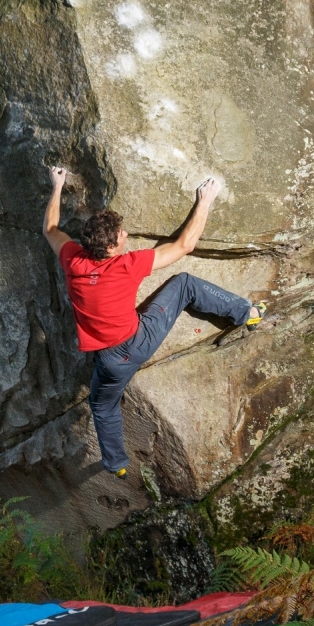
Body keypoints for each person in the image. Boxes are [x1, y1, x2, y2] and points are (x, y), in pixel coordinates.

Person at [43, 166, 265, 479]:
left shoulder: (73, 260)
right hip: (138, 341)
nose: (127, 236)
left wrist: (57, 185)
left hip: (108, 360)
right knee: (185, 284)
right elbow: (184, 246)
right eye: (122, 236)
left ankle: (116, 464)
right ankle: (248, 313)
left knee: (102, 405)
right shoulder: (127, 265)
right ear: (110, 248)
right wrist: (205, 201)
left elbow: (51, 229)